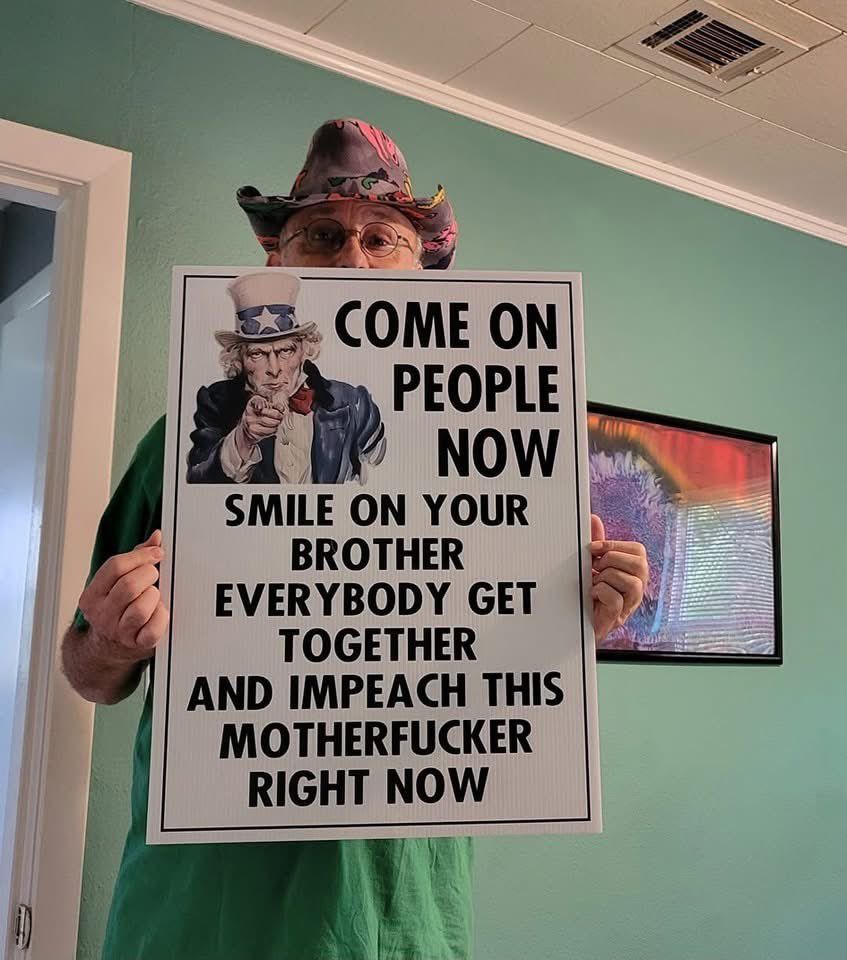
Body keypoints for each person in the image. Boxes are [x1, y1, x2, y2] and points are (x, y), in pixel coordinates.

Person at [62, 117, 649, 960]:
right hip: (203, 910)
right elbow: (87, 672)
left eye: (382, 239)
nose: (353, 261)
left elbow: (484, 650)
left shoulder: (504, 455)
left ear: (424, 272)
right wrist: (111, 638)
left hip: (399, 913)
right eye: (322, 236)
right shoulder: (188, 434)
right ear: (280, 262)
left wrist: (571, 620)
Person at [187, 271, 386, 484]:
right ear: (239, 359)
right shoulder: (216, 401)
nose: (274, 369)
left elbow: (384, 476)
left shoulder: (352, 402)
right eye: (257, 354)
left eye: (286, 351)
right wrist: (243, 439)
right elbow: (196, 481)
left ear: (305, 350)